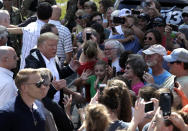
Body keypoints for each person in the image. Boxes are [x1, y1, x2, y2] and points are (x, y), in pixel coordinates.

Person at [7, 2, 53, 69]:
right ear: (51, 15)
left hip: (23, 69)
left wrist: (4, 27)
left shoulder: (30, 26)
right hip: (38, 70)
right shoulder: (49, 31)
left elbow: (16, 29)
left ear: (37, 13)